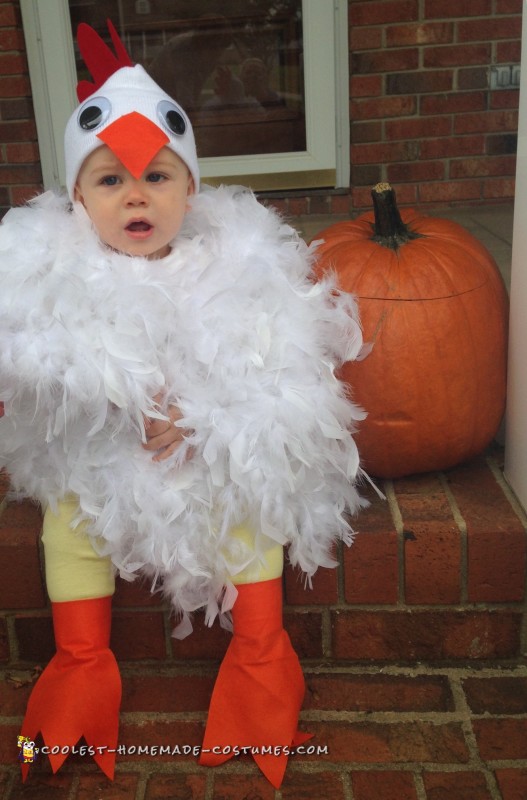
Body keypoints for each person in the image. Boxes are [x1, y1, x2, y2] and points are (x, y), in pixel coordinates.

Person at [0, 21, 367, 790]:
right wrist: (121, 398)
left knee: (251, 506)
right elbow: (37, 366)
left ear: (190, 188)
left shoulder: (233, 268)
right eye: (110, 181)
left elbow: (275, 371)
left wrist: (204, 419)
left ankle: (261, 666)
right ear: (76, 199)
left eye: (158, 177)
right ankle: (78, 670)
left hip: (204, 455)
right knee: (70, 520)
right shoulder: (48, 275)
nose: (136, 195)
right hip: (103, 459)